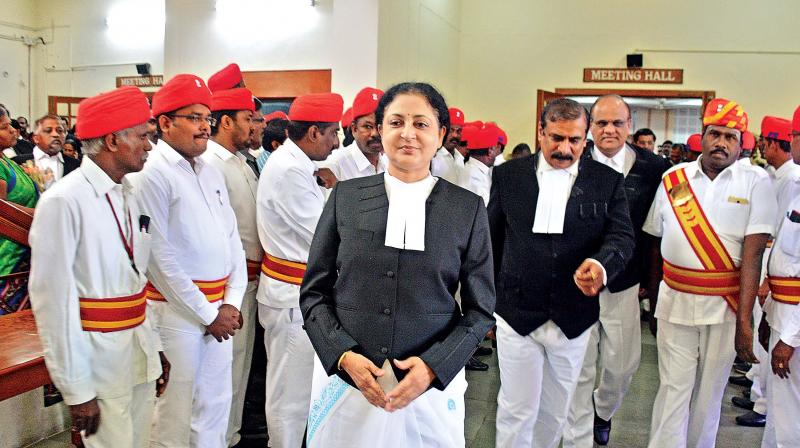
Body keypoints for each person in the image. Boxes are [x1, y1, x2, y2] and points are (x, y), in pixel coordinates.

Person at [300, 81, 495, 448]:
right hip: (349, 382)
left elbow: (480, 311)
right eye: (396, 122)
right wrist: (342, 355)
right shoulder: (346, 197)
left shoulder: (466, 209)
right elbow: (314, 294)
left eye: (421, 124)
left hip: (427, 389)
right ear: (380, 129)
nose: (407, 133)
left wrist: (435, 367)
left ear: (441, 135)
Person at [489, 98, 635, 448]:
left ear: (586, 138)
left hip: (573, 315)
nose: (565, 149)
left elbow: (621, 237)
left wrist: (601, 265)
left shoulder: (606, 180)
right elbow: (491, 241)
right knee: (516, 409)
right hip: (516, 312)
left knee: (555, 412)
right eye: (556, 138)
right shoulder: (509, 176)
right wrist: (486, 305)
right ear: (540, 133)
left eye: (574, 140)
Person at [28, 86, 169, 447]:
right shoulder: (63, 201)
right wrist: (76, 388)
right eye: (142, 137)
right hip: (98, 361)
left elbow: (136, 281)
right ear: (112, 140)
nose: (150, 146)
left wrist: (153, 347)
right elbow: (53, 305)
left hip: (137, 351)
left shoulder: (129, 192)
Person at [643, 98, 777, 448]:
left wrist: (745, 321)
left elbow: (753, 255)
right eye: (715, 134)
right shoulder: (674, 178)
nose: (721, 143)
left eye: (730, 137)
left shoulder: (756, 181)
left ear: (741, 143)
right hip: (675, 300)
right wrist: (653, 299)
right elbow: (655, 243)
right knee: (672, 388)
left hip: (726, 305)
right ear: (702, 135)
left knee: (709, 392)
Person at [131, 74, 247, 447]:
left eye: (207, 118)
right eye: (194, 118)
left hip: (220, 310)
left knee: (215, 406)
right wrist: (208, 313)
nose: (204, 127)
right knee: (176, 413)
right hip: (176, 313)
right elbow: (158, 257)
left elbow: (232, 239)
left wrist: (231, 301)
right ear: (165, 123)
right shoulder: (152, 173)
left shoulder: (209, 170)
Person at [564, 95, 669, 447]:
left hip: (625, 283)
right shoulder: (571, 159)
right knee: (579, 366)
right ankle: (578, 434)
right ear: (590, 127)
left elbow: (656, 231)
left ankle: (603, 410)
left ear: (629, 125)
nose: (609, 130)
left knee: (622, 365)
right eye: (602, 123)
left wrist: (652, 282)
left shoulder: (654, 169)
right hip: (577, 281)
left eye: (617, 123)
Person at [256, 92, 343, 448]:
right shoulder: (290, 170)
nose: (336, 142)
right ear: (313, 132)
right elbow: (325, 234)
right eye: (333, 133)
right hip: (291, 297)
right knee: (289, 401)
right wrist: (338, 193)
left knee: (300, 395)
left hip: (298, 295)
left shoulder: (298, 165)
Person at [198, 87, 263, 447]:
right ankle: (221, 438)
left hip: (247, 282)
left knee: (240, 368)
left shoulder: (241, 162)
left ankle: (231, 436)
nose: (254, 126)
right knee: (223, 374)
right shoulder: (211, 164)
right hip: (225, 290)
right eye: (247, 119)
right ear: (226, 122)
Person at [759, 104, 800, 447]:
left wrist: (789, 337)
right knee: (779, 407)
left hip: (794, 323)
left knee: (790, 413)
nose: (792, 140)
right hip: (782, 311)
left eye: (795, 135)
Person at [0, 105, 38, 315]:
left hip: (24, 254)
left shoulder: (7, 161)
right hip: (7, 259)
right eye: (4, 127)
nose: (13, 130)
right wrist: (43, 214)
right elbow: (3, 212)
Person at [320, 87, 386, 181]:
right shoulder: (334, 167)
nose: (375, 133)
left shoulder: (392, 163)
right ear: (354, 129)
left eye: (381, 126)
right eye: (367, 126)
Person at [32, 114, 80, 184]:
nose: (56, 135)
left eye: (60, 131)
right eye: (48, 131)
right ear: (36, 138)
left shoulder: (77, 165)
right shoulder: (19, 163)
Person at [461, 125, 498, 205]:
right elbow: (486, 208)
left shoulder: (472, 170)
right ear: (490, 151)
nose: (496, 154)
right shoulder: (474, 177)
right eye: (495, 149)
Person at [430, 107, 467, 185]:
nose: (455, 135)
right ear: (443, 130)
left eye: (459, 131)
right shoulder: (433, 157)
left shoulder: (459, 157)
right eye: (451, 130)